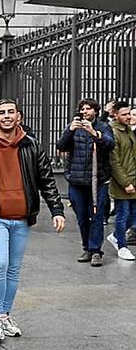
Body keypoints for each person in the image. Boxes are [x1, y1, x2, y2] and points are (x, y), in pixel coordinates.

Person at [0, 99, 66, 342]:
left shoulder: (32, 145)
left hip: (22, 217)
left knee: (14, 269)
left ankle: (6, 314)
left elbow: (47, 179)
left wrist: (57, 210)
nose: (6, 116)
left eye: (11, 112)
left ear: (18, 116)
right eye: (1, 113)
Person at [57, 98, 115, 267]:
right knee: (81, 217)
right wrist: (69, 130)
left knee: (97, 216)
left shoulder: (103, 126)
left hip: (98, 180)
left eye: (88, 109)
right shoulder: (74, 127)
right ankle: (87, 247)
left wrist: (94, 133)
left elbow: (110, 144)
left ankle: (96, 250)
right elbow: (61, 146)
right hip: (76, 180)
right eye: (82, 109)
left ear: (95, 111)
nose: (84, 112)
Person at [107, 101, 136, 260]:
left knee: (133, 215)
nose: (128, 117)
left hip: (132, 178)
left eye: (129, 113)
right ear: (116, 115)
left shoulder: (128, 131)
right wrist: (125, 183)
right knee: (123, 214)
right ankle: (122, 246)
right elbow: (114, 161)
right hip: (123, 182)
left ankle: (117, 236)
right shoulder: (114, 132)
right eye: (124, 114)